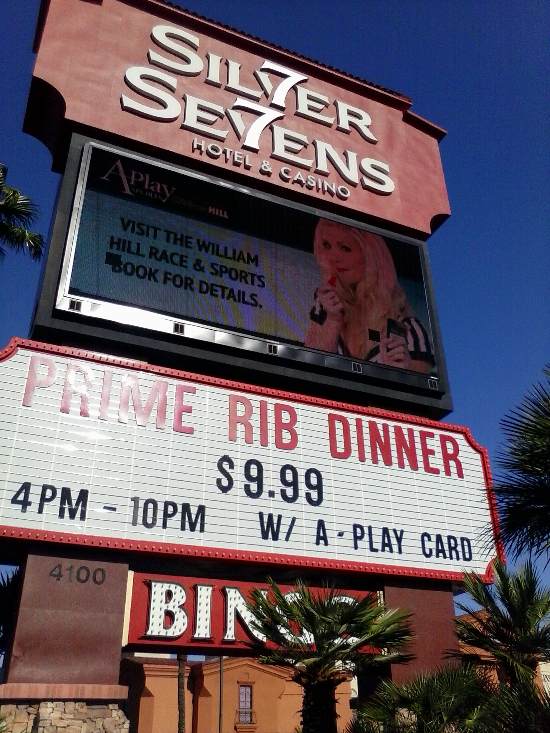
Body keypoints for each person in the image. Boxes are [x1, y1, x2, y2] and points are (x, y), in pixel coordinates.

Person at [304, 218, 434, 373]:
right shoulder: (323, 306)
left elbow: (419, 390)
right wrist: (332, 321)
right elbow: (309, 369)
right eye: (326, 245)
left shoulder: (410, 331)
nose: (332, 257)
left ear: (370, 256)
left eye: (345, 248)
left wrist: (398, 372)